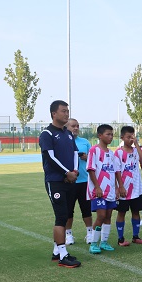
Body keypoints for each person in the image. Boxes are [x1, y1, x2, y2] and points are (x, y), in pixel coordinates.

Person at [39, 100, 81, 268]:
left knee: (67, 214)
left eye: (67, 111)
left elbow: (75, 153)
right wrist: (66, 173)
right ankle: (63, 255)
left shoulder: (68, 133)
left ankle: (57, 251)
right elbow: (50, 157)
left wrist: (75, 171)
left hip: (70, 179)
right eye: (63, 111)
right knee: (61, 216)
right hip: (55, 181)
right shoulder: (47, 134)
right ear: (54, 113)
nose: (66, 113)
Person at [87, 124, 120, 254]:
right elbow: (91, 170)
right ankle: (93, 243)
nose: (111, 137)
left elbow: (114, 172)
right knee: (101, 216)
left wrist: (117, 188)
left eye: (112, 134)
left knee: (108, 216)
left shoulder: (111, 153)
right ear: (100, 135)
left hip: (110, 191)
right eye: (108, 134)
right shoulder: (94, 150)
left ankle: (104, 242)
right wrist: (97, 187)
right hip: (98, 191)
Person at [114, 126, 142, 246]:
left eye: (132, 137)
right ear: (122, 137)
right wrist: (120, 187)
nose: (131, 139)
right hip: (124, 189)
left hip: (136, 189)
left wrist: (137, 144)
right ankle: (120, 239)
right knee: (121, 213)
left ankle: (136, 236)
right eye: (128, 137)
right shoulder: (118, 153)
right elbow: (117, 171)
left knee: (136, 212)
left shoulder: (135, 151)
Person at [64, 118, 93, 245]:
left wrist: (87, 157)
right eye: (73, 126)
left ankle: (90, 233)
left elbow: (93, 159)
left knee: (86, 209)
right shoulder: (62, 141)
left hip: (84, 181)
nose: (76, 128)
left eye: (77, 126)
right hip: (69, 182)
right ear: (66, 127)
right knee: (68, 210)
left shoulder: (85, 142)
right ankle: (68, 235)